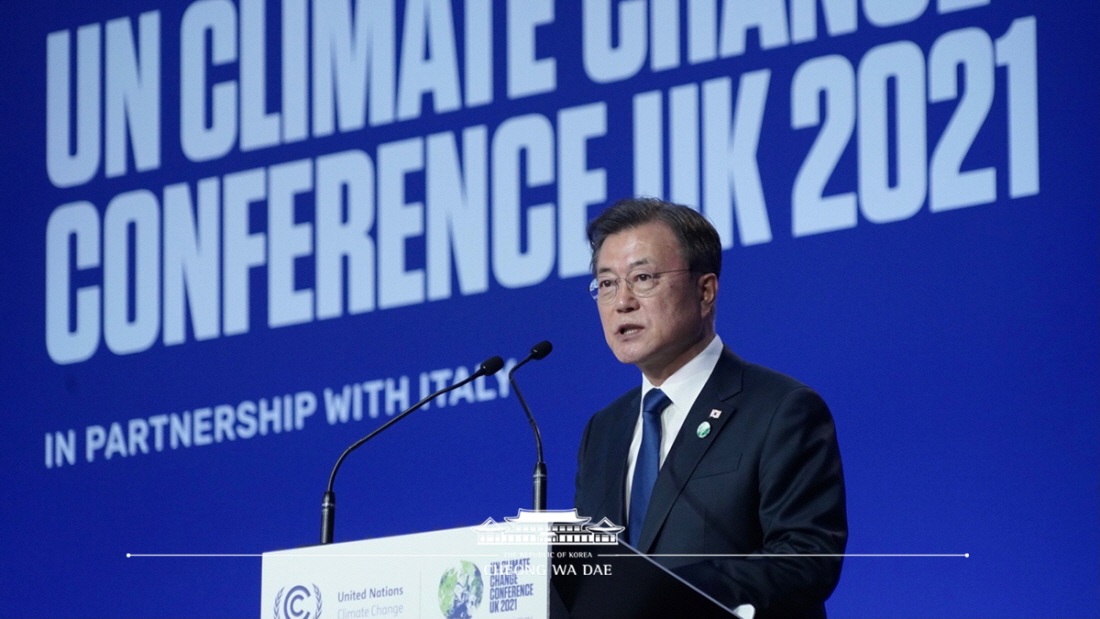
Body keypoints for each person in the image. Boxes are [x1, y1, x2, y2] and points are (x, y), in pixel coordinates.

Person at [574, 197, 847, 619]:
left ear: (705, 291)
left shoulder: (780, 409)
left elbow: (807, 561)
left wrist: (668, 591)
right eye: (607, 283)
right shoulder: (604, 430)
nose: (621, 302)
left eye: (642, 277)